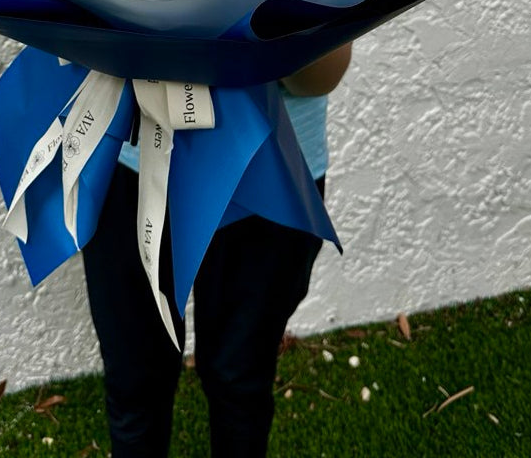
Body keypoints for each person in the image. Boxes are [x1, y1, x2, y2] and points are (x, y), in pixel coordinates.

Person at [82, 42, 353, 458]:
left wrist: (272, 23)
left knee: (240, 376)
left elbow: (320, 77)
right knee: (135, 379)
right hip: (129, 158)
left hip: (267, 167)